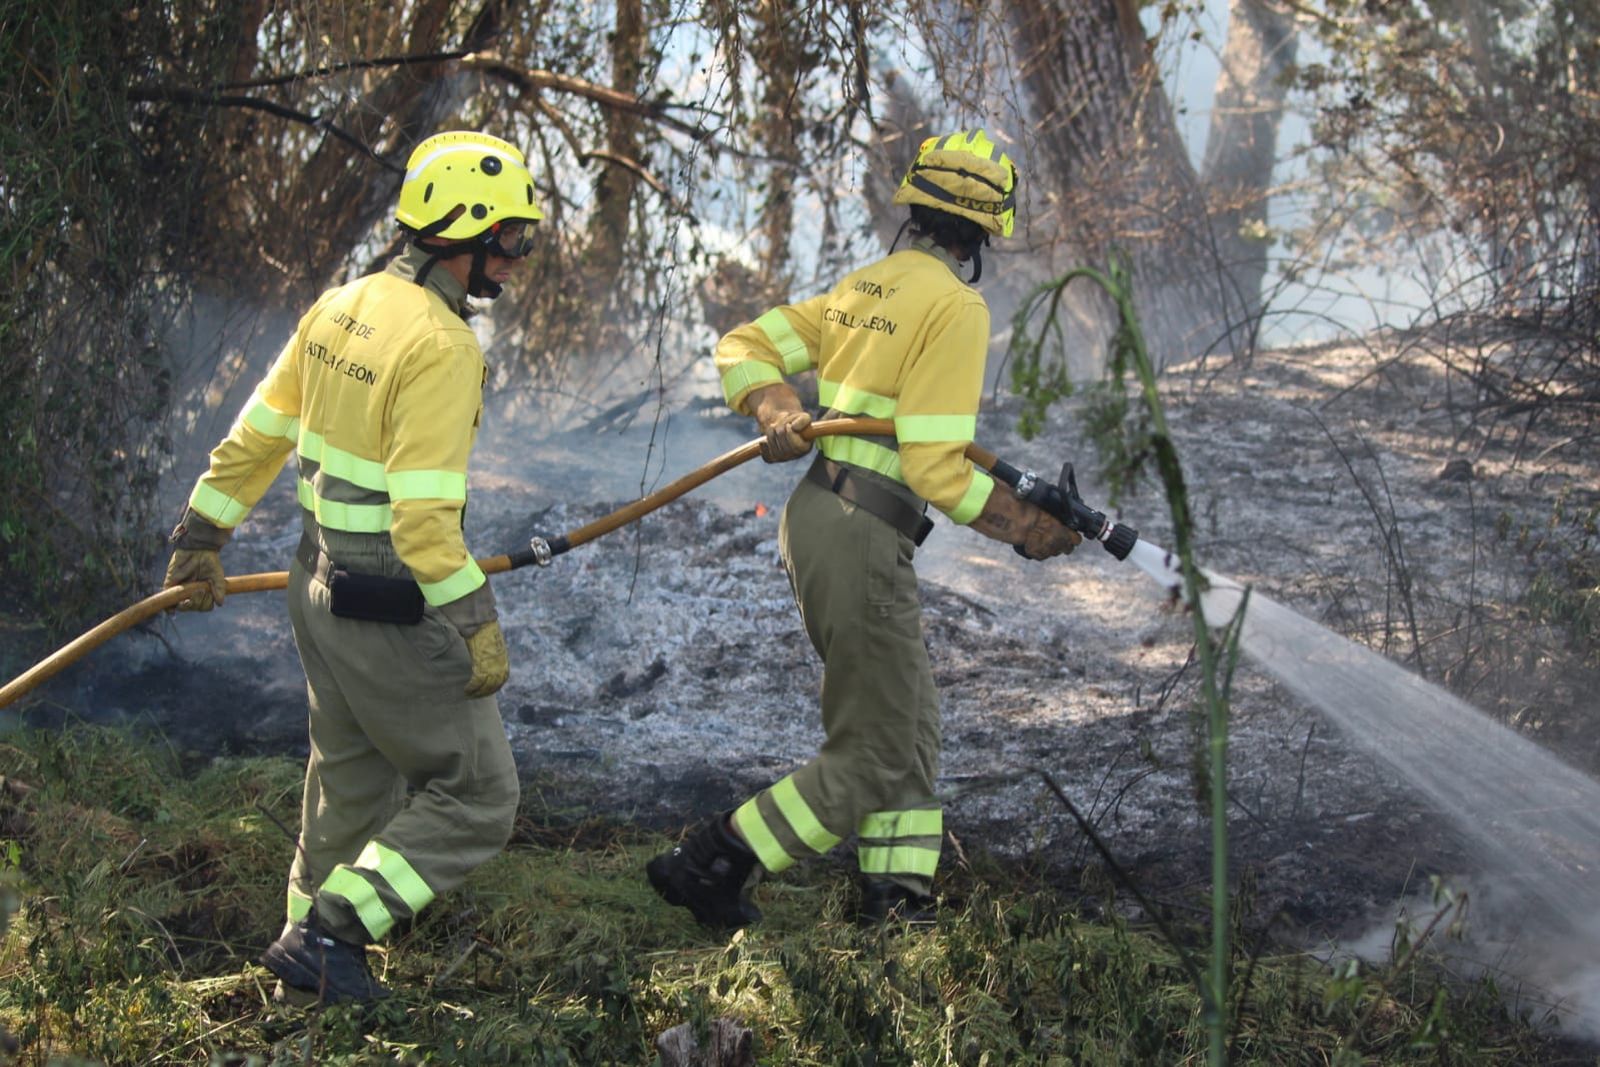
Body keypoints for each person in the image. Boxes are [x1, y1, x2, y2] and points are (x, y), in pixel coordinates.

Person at [647, 129, 1082, 929]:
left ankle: (898, 901)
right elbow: (936, 469)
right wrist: (1025, 526)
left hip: (820, 515)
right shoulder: (955, 305)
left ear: (914, 208)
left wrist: (774, 402)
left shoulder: (863, 289)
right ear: (984, 232)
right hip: (864, 532)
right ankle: (712, 860)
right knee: (874, 750)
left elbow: (741, 345)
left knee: (909, 727)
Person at [163, 130, 541, 1004]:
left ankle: (301, 981)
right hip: (386, 605)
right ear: (465, 232)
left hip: (315, 588)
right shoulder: (444, 347)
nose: (518, 260)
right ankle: (335, 933)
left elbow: (260, 432)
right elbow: (422, 523)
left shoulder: (342, 304)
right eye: (513, 239)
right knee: (480, 793)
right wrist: (476, 620)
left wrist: (201, 534)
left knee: (347, 786)